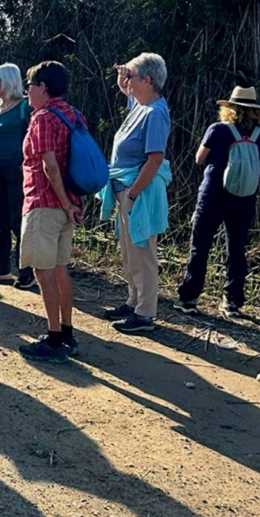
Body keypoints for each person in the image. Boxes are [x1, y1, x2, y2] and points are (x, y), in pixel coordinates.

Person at [97, 54, 171, 335]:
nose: (128, 82)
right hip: (124, 187)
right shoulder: (140, 104)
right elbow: (124, 89)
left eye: (133, 77)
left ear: (148, 80)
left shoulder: (155, 113)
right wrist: (123, 72)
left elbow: (154, 158)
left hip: (138, 190)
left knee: (142, 251)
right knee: (129, 251)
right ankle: (133, 300)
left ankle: (145, 313)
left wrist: (135, 192)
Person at [175, 86, 260, 320]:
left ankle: (189, 299)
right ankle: (232, 302)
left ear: (229, 108)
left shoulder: (218, 130)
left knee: (200, 247)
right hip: (244, 199)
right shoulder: (259, 134)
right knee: (236, 250)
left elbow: (199, 159)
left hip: (213, 196)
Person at [18, 61, 84, 363]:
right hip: (66, 204)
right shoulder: (73, 114)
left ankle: (54, 338)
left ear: (43, 87)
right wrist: (71, 203)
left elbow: (50, 166)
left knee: (43, 271)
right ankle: (67, 332)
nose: (27, 91)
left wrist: (63, 201)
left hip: (45, 202)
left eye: (30, 85)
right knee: (59, 268)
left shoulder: (43, 117)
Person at [0, 63, 34, 287]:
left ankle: (26, 270)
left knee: (17, 220)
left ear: (7, 81)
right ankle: (1, 266)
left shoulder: (25, 107)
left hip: (16, 170)